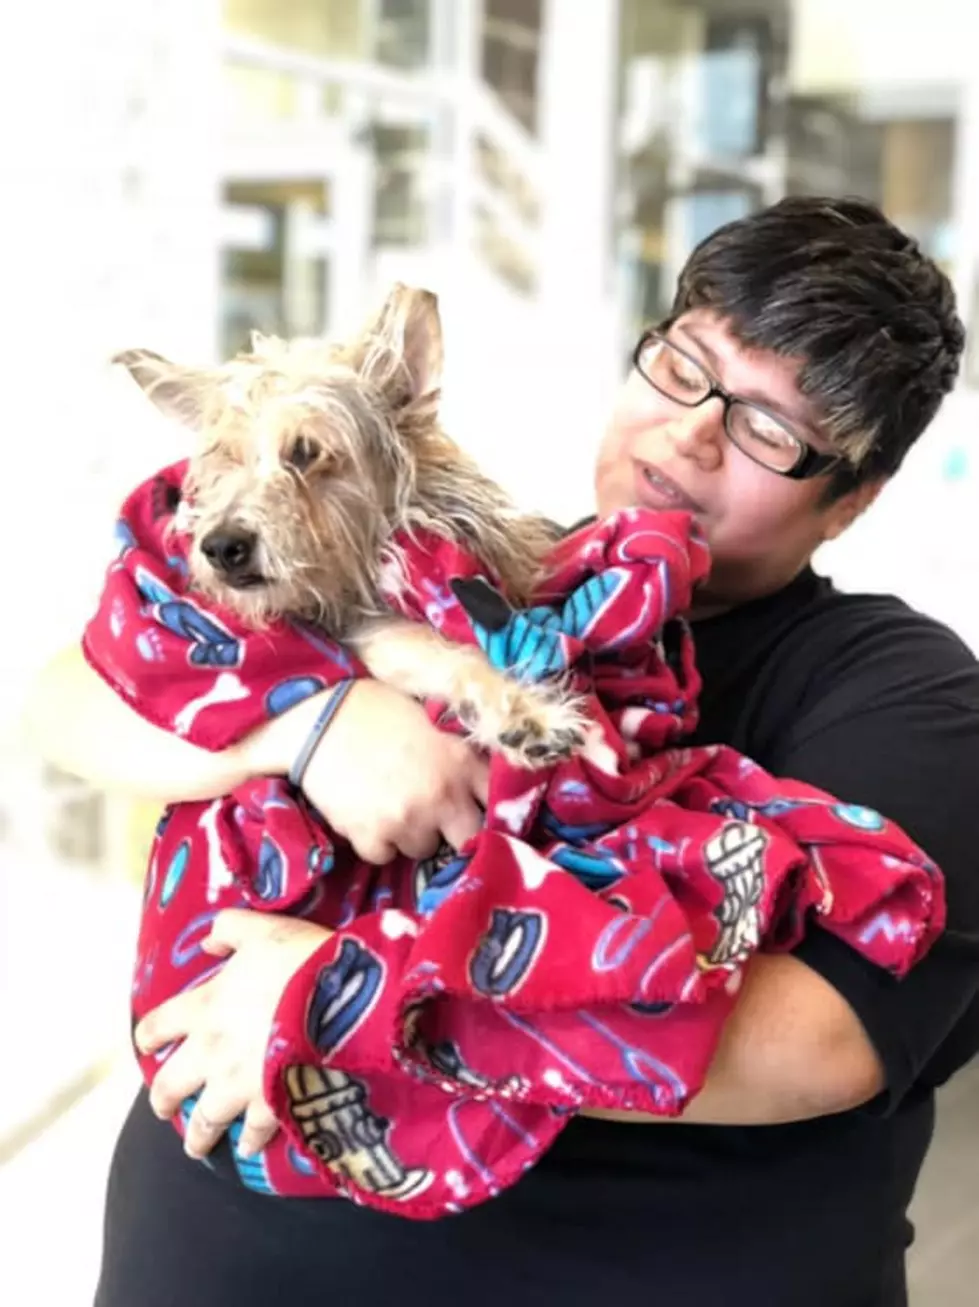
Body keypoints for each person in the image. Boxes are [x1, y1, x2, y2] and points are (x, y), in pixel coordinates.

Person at [27, 196, 979, 1307]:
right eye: (683, 365)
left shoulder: (903, 689)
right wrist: (312, 728)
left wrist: (337, 996)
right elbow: (73, 694)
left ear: (849, 502)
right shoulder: (471, 580)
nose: (691, 432)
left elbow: (824, 1042)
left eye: (769, 427)